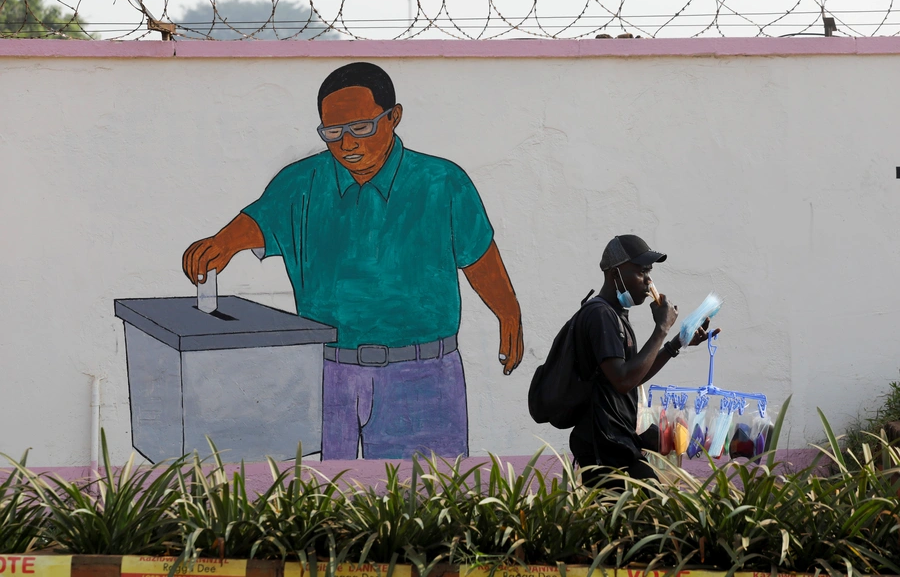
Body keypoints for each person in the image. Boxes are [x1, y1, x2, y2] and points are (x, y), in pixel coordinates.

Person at [182, 62, 524, 460]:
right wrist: (222, 243)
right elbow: (258, 221)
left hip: (424, 376)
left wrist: (509, 313)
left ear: (394, 117)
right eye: (333, 133)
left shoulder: (443, 182)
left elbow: (478, 256)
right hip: (327, 375)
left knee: (427, 501)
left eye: (361, 127)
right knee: (324, 501)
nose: (347, 144)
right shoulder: (300, 183)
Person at [569, 234, 718, 488]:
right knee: (651, 510)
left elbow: (633, 375)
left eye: (649, 271)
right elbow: (623, 380)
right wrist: (661, 328)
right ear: (615, 273)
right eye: (641, 271)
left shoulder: (615, 316)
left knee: (653, 510)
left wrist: (676, 343)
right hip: (604, 448)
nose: (649, 281)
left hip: (618, 443)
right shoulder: (600, 315)